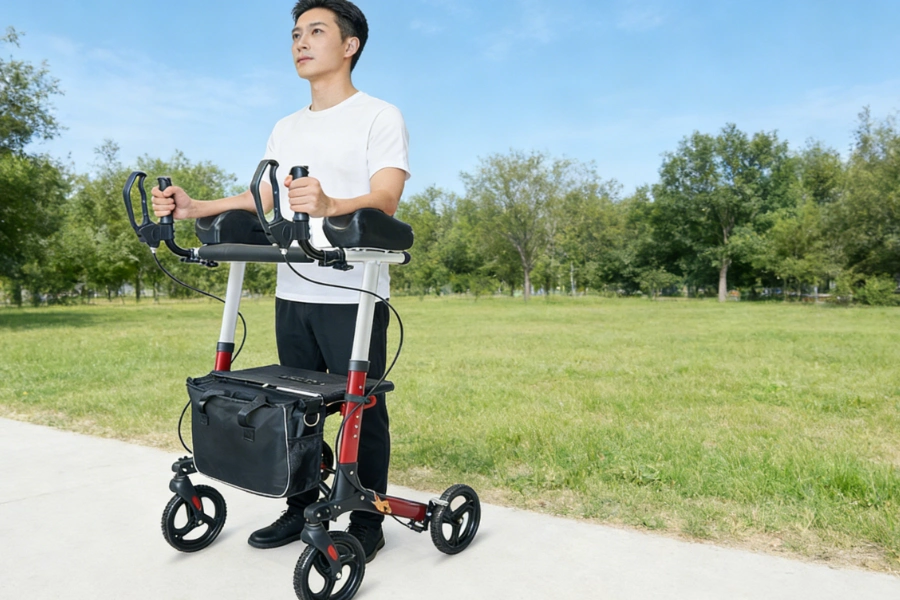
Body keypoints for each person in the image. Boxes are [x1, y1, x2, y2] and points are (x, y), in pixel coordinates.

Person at [151, 0, 409, 564]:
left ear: (350, 45)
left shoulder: (379, 115)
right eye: (295, 34)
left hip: (355, 292)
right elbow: (264, 195)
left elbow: (386, 196)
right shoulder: (286, 127)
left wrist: (331, 203)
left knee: (362, 408)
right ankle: (301, 506)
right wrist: (197, 208)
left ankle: (367, 518)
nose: (300, 42)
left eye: (315, 31)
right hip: (294, 289)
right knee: (295, 406)